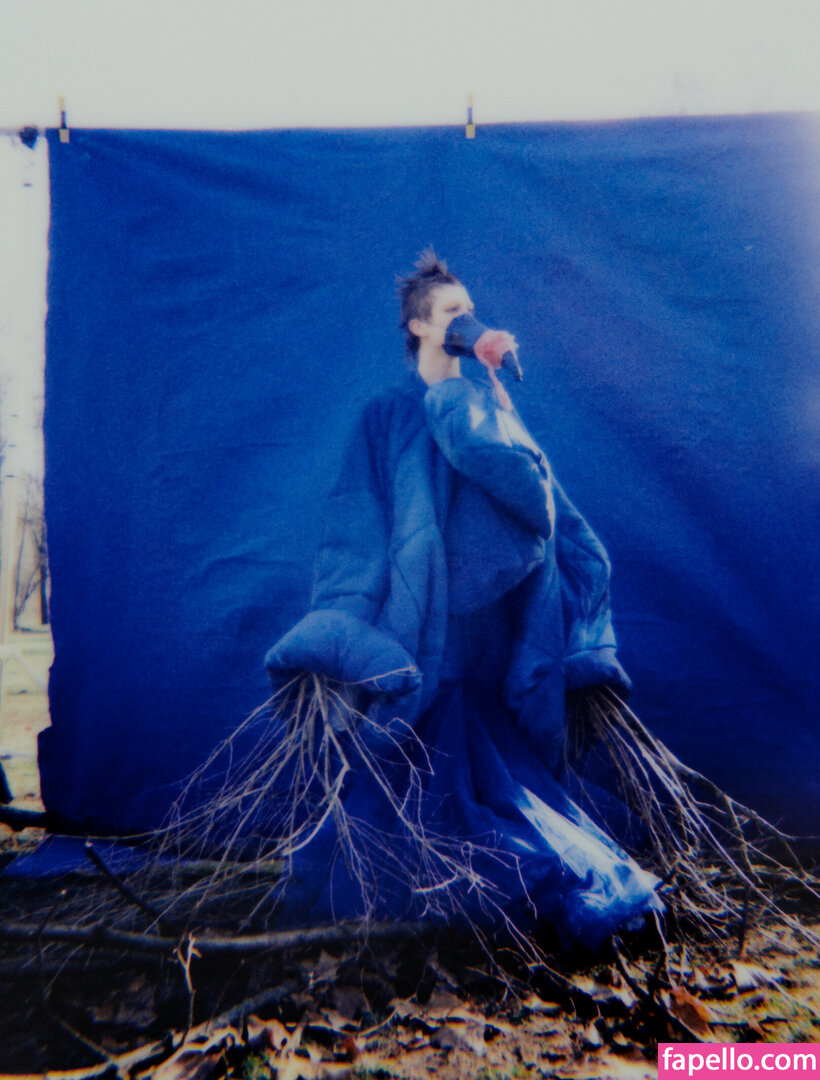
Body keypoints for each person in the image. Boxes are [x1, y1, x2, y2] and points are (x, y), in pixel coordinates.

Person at [264, 250, 661, 948]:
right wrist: (348, 633)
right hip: (421, 632)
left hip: (488, 634)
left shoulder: (483, 406)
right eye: (452, 311)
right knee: (421, 770)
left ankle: (524, 889)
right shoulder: (383, 417)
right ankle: (435, 894)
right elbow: (356, 532)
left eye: (470, 310)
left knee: (495, 772)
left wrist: (469, 400)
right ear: (418, 325)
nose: (467, 320)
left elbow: (540, 507)